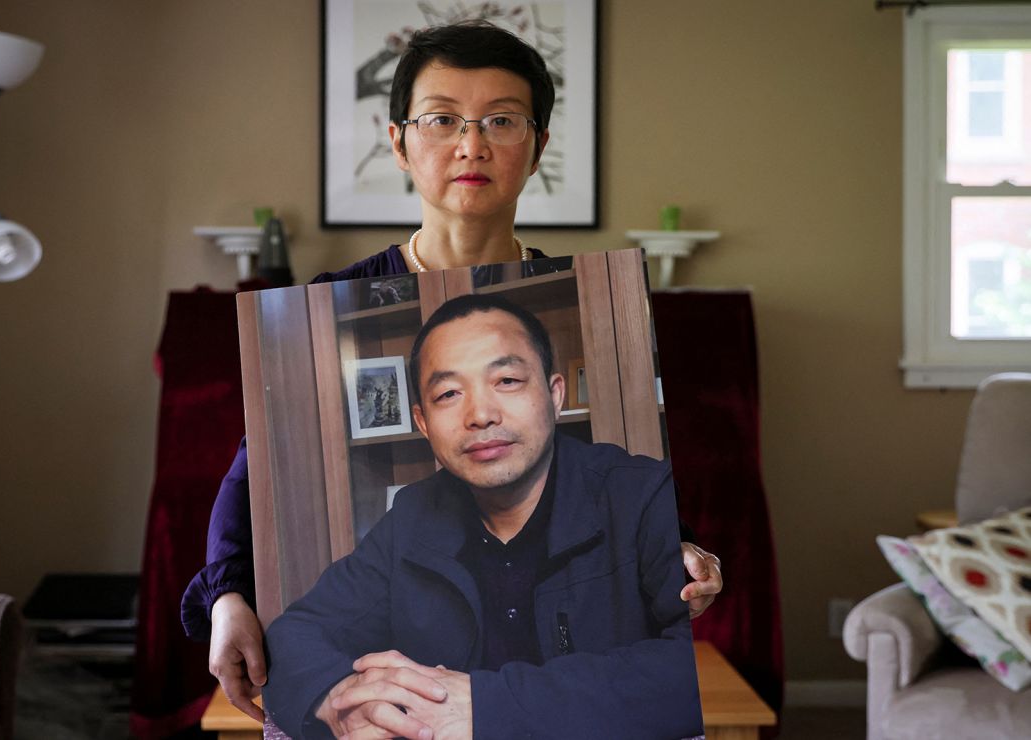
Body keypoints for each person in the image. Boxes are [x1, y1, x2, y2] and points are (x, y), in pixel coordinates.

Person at [180, 21, 723, 723]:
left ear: (537, 148)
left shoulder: (600, 328)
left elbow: (660, 581)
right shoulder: (329, 304)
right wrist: (227, 600)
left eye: (501, 120)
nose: (472, 145)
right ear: (400, 142)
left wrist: (680, 561)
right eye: (442, 120)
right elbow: (254, 472)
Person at [263, 293, 704, 740]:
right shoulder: (413, 517)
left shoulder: (640, 494)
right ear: (423, 422)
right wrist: (338, 696)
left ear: (554, 396)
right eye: (449, 393)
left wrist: (488, 705)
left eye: (507, 380)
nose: (480, 415)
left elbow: (699, 667)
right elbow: (294, 635)